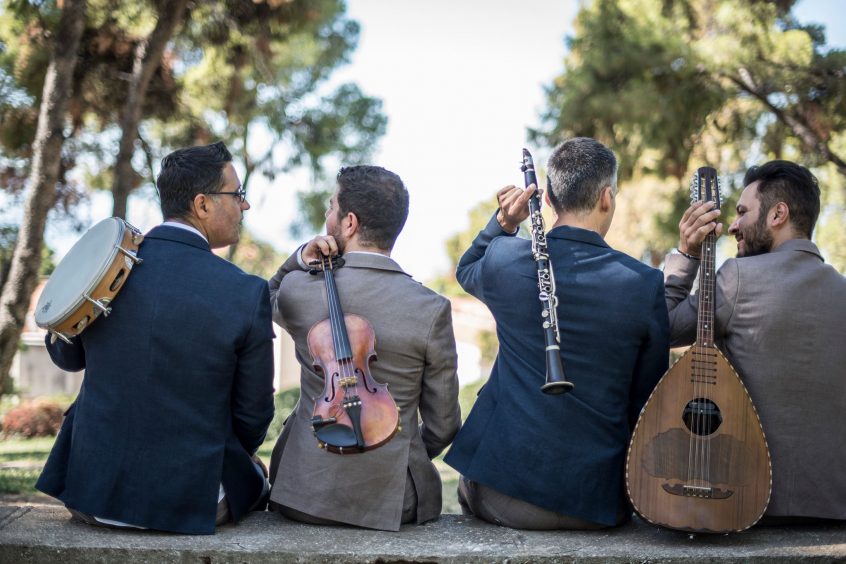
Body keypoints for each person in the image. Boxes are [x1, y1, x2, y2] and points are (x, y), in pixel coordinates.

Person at [36, 142, 275, 534]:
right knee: (253, 476)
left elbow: (67, 357)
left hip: (91, 492)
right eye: (238, 195)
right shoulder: (245, 291)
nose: (244, 206)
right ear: (202, 204)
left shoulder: (108, 268)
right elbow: (253, 418)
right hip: (190, 503)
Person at [444, 137, 670, 530]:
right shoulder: (644, 284)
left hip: (503, 492)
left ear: (546, 199)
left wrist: (503, 223)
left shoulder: (506, 258)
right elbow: (646, 399)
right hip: (594, 503)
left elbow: (467, 268)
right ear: (606, 198)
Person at [267, 165, 461, 532]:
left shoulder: (300, 289)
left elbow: (264, 297)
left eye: (330, 207)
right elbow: (443, 424)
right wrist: (395, 449)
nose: (327, 217)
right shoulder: (431, 308)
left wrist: (297, 257)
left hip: (303, 492)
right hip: (394, 500)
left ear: (349, 223)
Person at [665, 159, 846, 524]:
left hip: (746, 508)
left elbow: (663, 328)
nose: (733, 225)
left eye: (743, 212)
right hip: (834, 514)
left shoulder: (737, 278)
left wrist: (687, 255)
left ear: (778, 213)